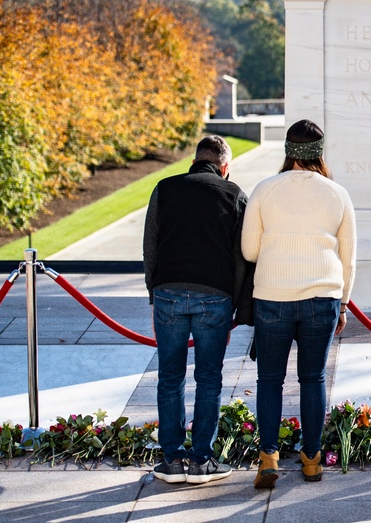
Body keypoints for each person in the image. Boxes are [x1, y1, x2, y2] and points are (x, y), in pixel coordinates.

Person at [242, 119, 356, 489]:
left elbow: (249, 250)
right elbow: (349, 257)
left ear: (288, 151)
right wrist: (343, 304)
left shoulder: (265, 189)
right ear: (319, 154)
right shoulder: (337, 194)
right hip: (321, 297)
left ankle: (269, 457)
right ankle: (310, 460)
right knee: (312, 379)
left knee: (270, 380)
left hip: (273, 295)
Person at [143, 135, 248, 484]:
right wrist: (233, 301)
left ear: (195, 160)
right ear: (225, 167)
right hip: (214, 295)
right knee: (208, 379)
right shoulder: (234, 195)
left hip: (169, 291)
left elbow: (151, 246)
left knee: (169, 377)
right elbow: (240, 257)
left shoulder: (164, 188)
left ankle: (171, 460)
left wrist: (153, 291)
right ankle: (202, 459)